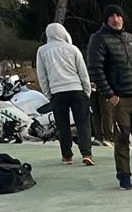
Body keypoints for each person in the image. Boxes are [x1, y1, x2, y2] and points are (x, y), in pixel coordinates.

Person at [87, 4, 132, 190]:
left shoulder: (130, 38)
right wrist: (110, 95)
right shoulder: (98, 40)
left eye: (118, 15)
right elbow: (96, 70)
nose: (116, 19)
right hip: (120, 98)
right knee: (122, 138)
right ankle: (124, 175)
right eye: (111, 16)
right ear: (106, 20)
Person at [35, 23, 94, 167]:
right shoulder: (73, 49)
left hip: (57, 92)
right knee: (83, 124)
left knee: (62, 125)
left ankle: (67, 156)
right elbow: (82, 72)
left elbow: (42, 75)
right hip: (76, 89)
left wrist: (49, 94)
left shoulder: (42, 51)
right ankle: (87, 154)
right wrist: (87, 92)